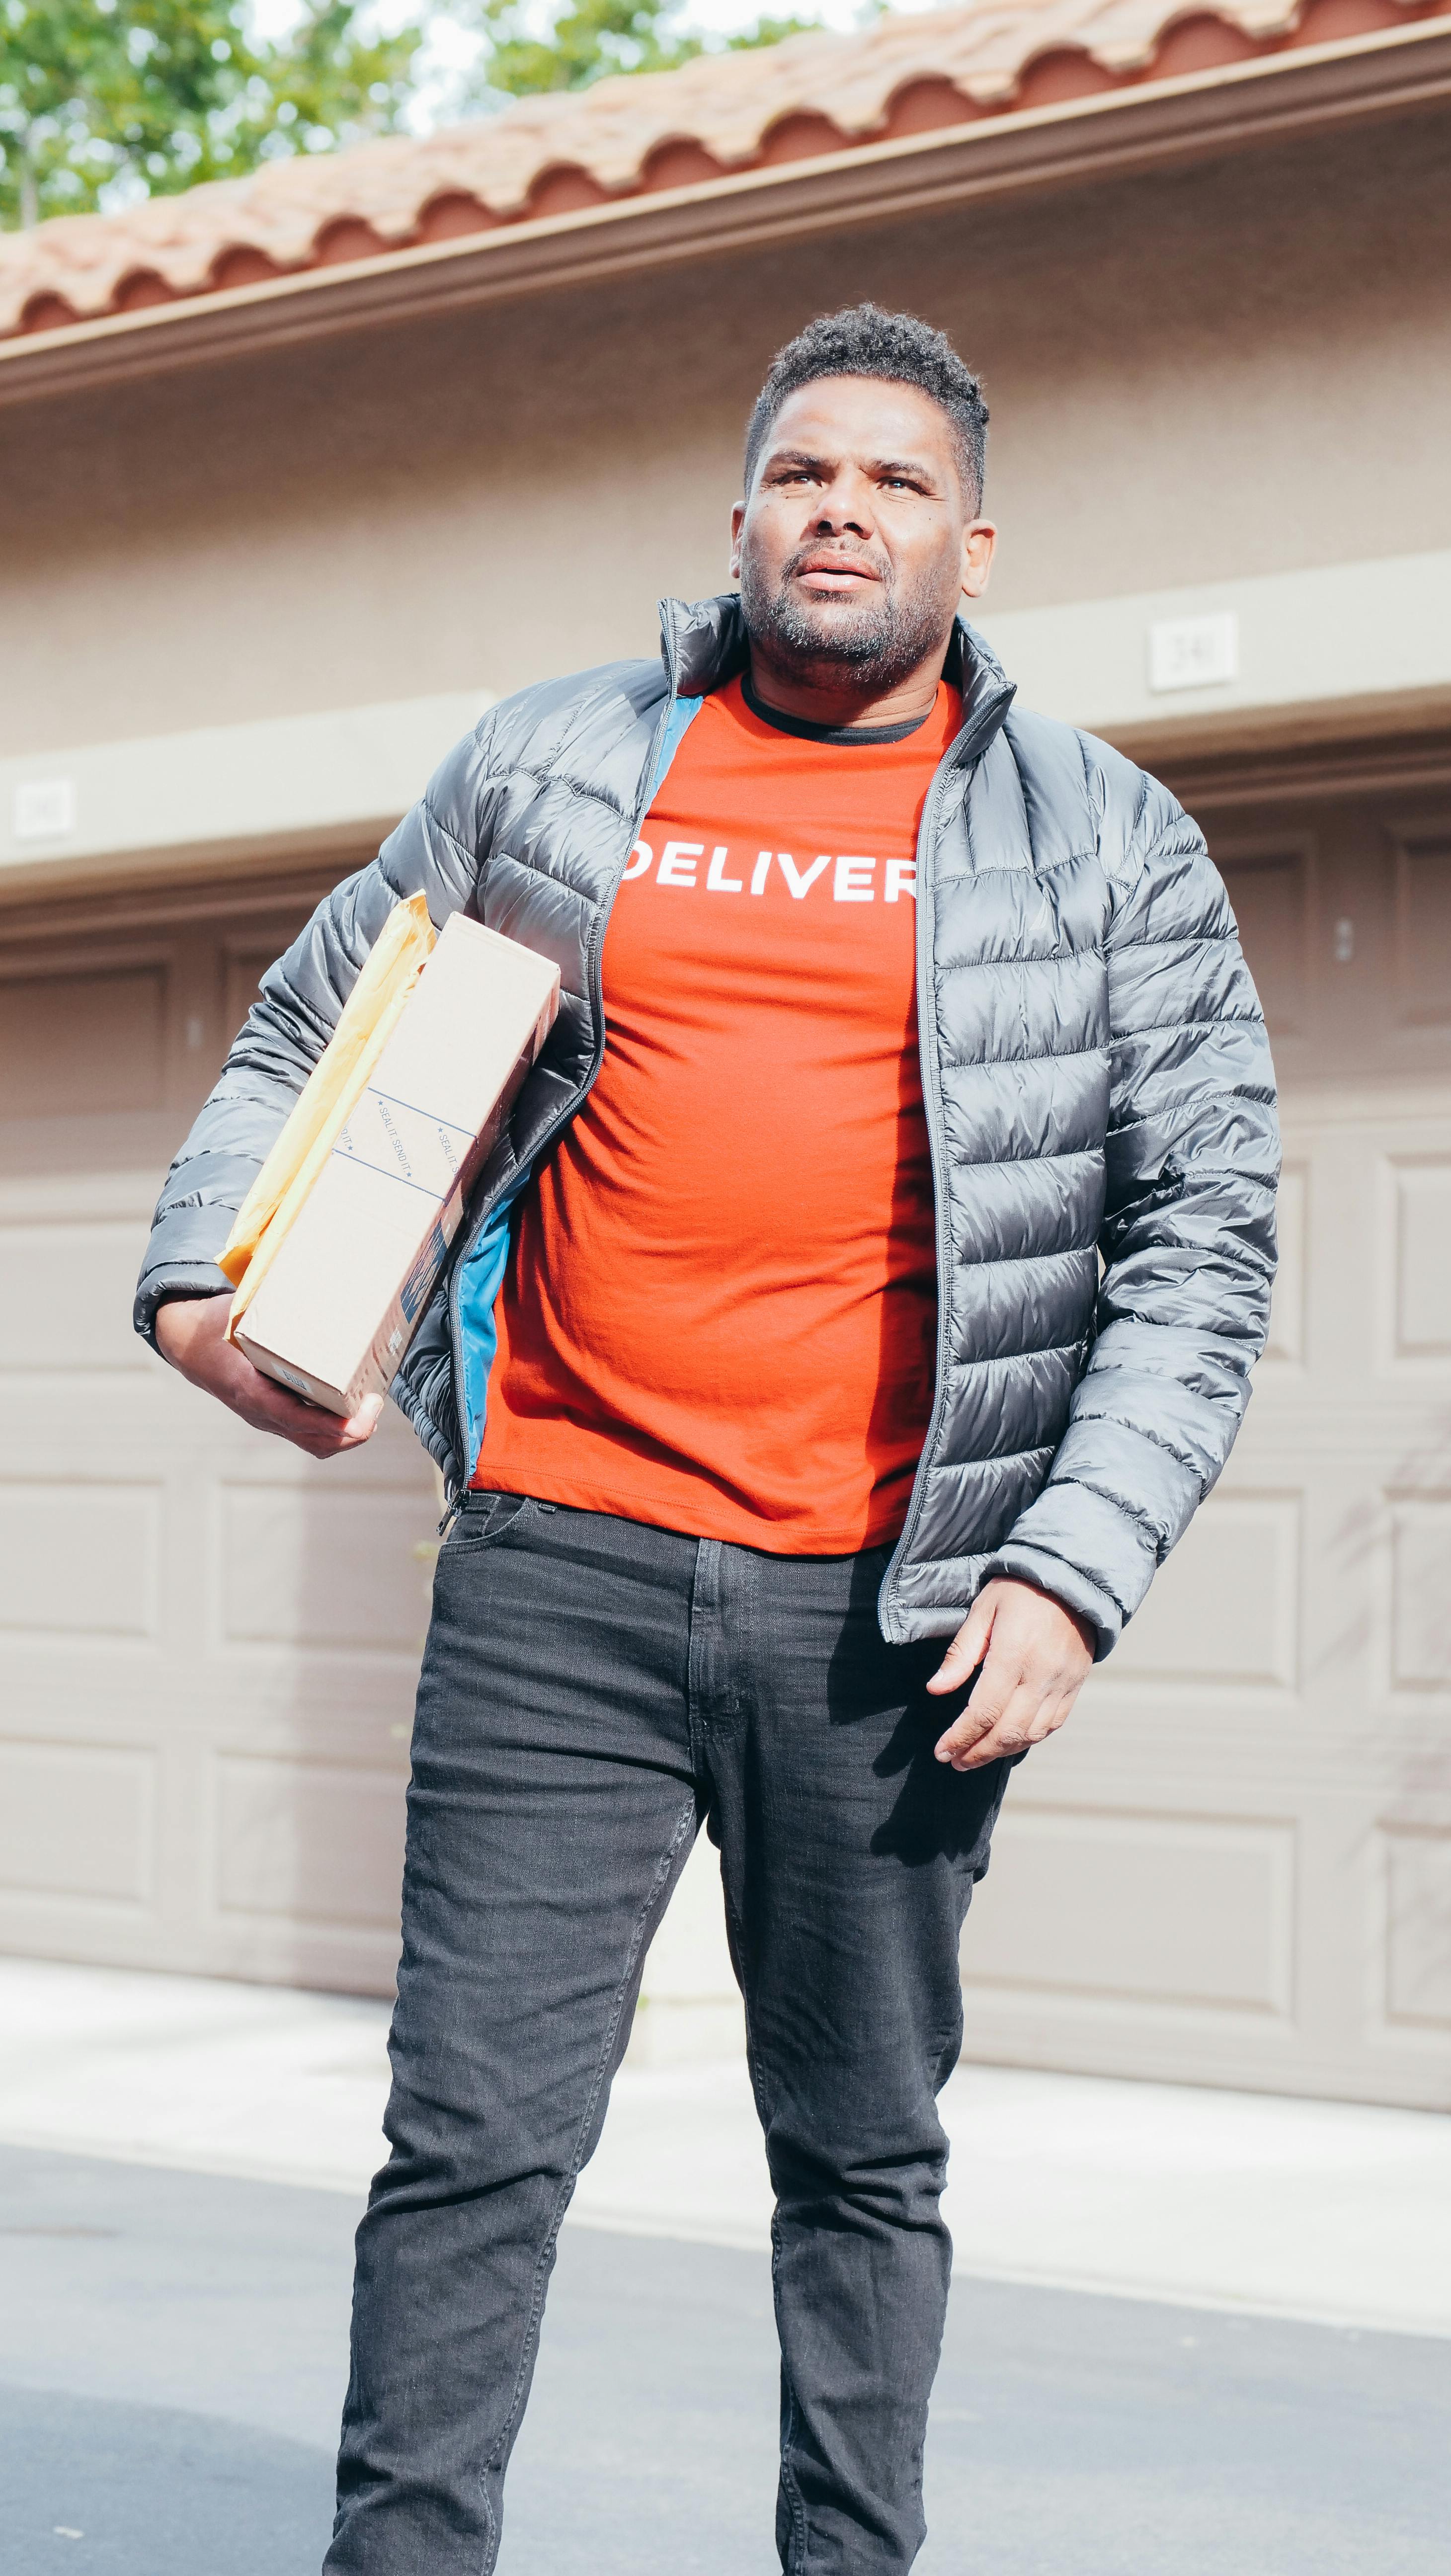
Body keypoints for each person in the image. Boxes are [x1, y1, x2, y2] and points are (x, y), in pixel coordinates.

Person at [137, 303, 1279, 2573]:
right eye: (800, 471)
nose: (839, 507)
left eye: (890, 479)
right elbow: (312, 1026)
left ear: (972, 534)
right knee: (470, 2142)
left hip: (894, 1603)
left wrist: (1069, 1570)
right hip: (557, 1559)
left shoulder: (1103, 840)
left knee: (859, 2156)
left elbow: (1205, 1235)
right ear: (739, 513)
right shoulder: (559, 765)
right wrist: (201, 1271)